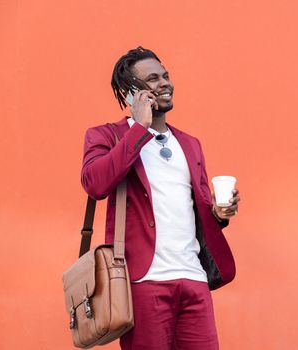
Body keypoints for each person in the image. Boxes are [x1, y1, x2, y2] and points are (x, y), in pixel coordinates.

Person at [80, 46, 240, 350]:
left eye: (165, 75)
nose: (165, 83)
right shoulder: (107, 136)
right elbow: (95, 184)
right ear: (130, 92)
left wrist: (220, 212)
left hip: (193, 278)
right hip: (143, 282)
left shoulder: (189, 144)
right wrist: (139, 128)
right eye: (153, 79)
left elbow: (200, 207)